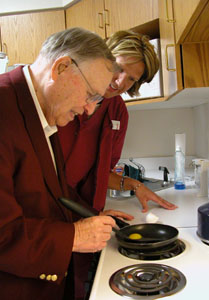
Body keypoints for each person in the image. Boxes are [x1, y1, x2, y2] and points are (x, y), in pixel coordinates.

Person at [0, 27, 128, 300]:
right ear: (62, 67)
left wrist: (91, 216)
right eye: (91, 94)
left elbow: (51, 194)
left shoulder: (42, 114)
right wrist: (74, 237)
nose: (89, 109)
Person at [58, 30, 177, 300]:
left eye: (132, 78)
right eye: (119, 68)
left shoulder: (118, 111)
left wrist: (134, 186)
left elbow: (103, 171)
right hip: (50, 215)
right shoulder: (66, 97)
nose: (120, 81)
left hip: (86, 217)